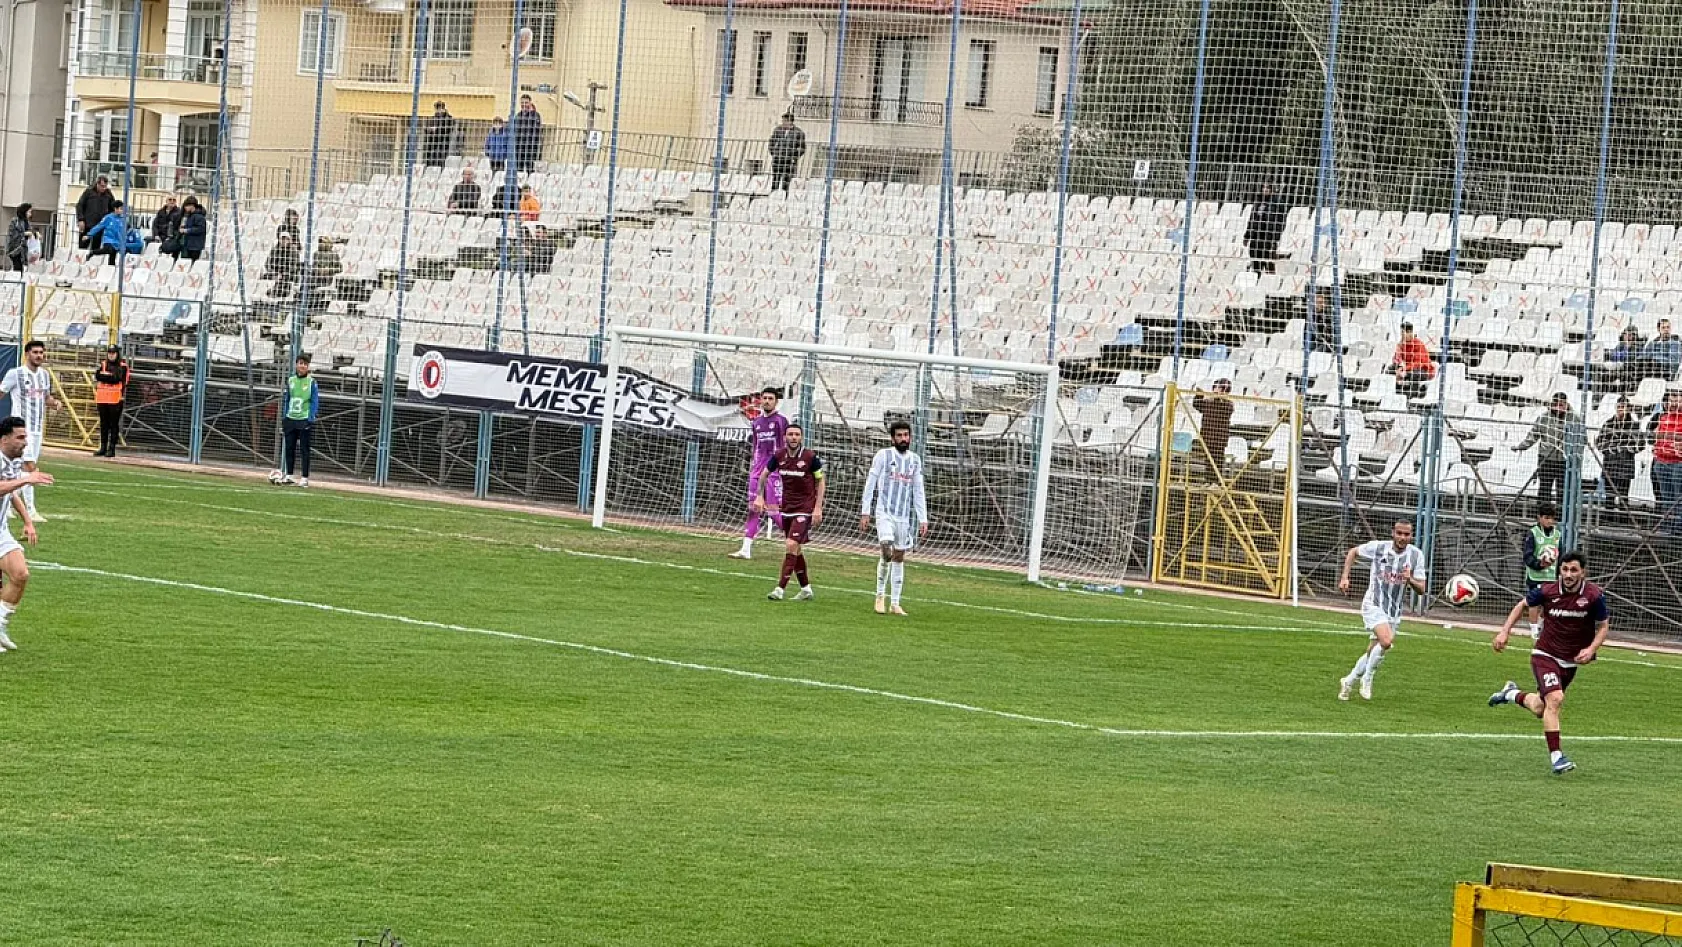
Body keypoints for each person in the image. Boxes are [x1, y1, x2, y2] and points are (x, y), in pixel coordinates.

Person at [1488, 551, 1609, 775]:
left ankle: (1510, 694)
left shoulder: (1594, 596)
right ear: (1559, 571)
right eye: (1565, 569)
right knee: (1555, 698)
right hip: (1545, 654)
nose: (1569, 574)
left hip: (1570, 662)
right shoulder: (1548, 591)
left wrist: (1591, 649)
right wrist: (1505, 632)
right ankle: (1557, 757)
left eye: (1574, 570)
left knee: (1540, 708)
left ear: (1583, 572)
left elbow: (1603, 626)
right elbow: (1521, 605)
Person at [1336, 519, 1427, 701]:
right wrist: (1345, 577)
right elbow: (1353, 552)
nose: (1402, 537)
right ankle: (1367, 679)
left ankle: (1349, 680)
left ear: (1411, 536)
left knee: (1372, 650)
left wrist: (1409, 580)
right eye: (1399, 533)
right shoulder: (1379, 548)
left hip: (1393, 611)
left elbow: (1422, 589)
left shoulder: (1416, 556)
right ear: (1393, 533)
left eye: (1406, 534)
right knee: (1386, 641)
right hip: (1373, 603)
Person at [860, 419, 929, 616]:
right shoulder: (883, 455)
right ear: (892, 438)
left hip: (903, 517)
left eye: (906, 435)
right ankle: (880, 596)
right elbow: (870, 482)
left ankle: (895, 603)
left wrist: (922, 518)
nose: (903, 439)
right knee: (886, 549)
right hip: (884, 513)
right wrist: (866, 511)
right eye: (899, 435)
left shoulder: (915, 460)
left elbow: (918, 490)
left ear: (910, 437)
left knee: (899, 556)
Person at [756, 422, 824, 601]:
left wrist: (817, 507)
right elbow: (764, 474)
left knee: (791, 544)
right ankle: (806, 589)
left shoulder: (810, 457)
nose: (793, 437)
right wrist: (759, 496)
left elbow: (820, 481)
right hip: (786, 507)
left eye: (797, 434)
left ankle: (780, 589)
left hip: (805, 508)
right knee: (796, 549)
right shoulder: (779, 455)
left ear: (801, 437)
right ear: (785, 437)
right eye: (790, 434)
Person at [0, 416, 51, 652]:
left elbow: (11, 492)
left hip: (1, 530)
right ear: (4, 439)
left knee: (20, 575)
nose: (25, 443)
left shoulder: (11, 462)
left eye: (26, 437)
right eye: (20, 437)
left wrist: (28, 522)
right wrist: (27, 478)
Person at [0, 341, 58, 522]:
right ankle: (31, 511)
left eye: (41, 352)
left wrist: (55, 403)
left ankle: (8, 504)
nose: (39, 355)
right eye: (35, 352)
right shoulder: (15, 374)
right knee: (30, 467)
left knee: (18, 468)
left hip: (37, 429)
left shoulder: (44, 375)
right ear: (27, 354)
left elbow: (46, 398)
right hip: (21, 430)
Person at [730, 386, 788, 560]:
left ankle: (794, 539)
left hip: (773, 472)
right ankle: (746, 549)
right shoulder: (756, 423)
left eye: (771, 399)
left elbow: (785, 447)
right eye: (765, 398)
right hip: (757, 472)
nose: (767, 401)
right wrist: (753, 467)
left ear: (776, 402)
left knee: (773, 511)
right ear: (760, 401)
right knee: (753, 509)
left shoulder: (780, 421)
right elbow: (755, 447)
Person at [1514, 392, 1580, 505]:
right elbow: (1534, 434)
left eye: (1562, 404)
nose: (1559, 407)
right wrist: (1522, 446)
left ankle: (1561, 517)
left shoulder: (1574, 419)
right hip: (1546, 458)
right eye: (1556, 404)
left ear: (1566, 404)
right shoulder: (1544, 418)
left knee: (1563, 490)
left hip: (1565, 461)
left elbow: (1580, 438)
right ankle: (1543, 515)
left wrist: (1574, 455)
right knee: (1544, 489)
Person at [270, 355, 319, 488]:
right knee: (289, 448)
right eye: (301, 363)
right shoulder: (291, 380)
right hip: (291, 418)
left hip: (304, 419)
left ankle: (304, 477)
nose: (303, 366)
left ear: (308, 367)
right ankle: (290, 475)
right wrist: (285, 416)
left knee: (304, 449)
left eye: (305, 364)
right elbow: (287, 398)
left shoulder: (311, 382)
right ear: (296, 364)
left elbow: (314, 401)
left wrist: (311, 418)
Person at [1520, 503, 1562, 639]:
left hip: (1551, 576)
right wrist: (1539, 564)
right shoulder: (1532, 533)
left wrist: (1560, 572)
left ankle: (1542, 626)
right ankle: (1533, 630)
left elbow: (1560, 555)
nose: (1550, 521)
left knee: (1549, 604)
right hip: (1535, 575)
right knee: (1534, 602)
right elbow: (1527, 556)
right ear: (1539, 518)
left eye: (1552, 518)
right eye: (1546, 517)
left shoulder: (1557, 534)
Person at [1595, 396, 1641, 512]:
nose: (1621, 410)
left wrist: (1625, 449)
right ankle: (1607, 517)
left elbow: (1640, 445)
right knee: (1609, 496)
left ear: (1629, 409)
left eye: (1623, 407)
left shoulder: (1634, 426)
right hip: (1610, 464)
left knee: (1623, 496)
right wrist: (1611, 449)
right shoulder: (1608, 424)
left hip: (1626, 465)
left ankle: (1623, 518)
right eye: (1619, 407)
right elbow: (1599, 442)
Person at [1647, 390, 1682, 532]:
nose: (1672, 403)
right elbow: (1652, 437)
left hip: (1678, 462)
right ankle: (1668, 525)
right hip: (1661, 461)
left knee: (1678, 496)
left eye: (1675, 400)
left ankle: (1678, 527)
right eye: (1669, 400)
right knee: (1666, 496)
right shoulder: (1662, 418)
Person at [1192, 378, 1235, 483]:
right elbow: (1197, 405)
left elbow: (1227, 410)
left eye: (1219, 388)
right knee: (1208, 461)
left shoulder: (1228, 404)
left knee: (1217, 460)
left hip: (1219, 438)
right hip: (1208, 436)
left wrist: (1219, 398)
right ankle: (1208, 481)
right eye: (1215, 387)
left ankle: (1216, 482)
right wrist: (1199, 395)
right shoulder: (1209, 402)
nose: (1216, 390)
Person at [93, 345, 129, 458]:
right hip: (102, 398)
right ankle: (103, 447)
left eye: (113, 352)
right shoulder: (103, 364)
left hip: (115, 399)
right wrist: (108, 376)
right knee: (104, 424)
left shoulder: (123, 366)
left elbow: (117, 378)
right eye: (109, 352)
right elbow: (97, 375)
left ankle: (111, 448)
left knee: (113, 424)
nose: (111, 354)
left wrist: (105, 376)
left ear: (117, 353)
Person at [1243, 184, 1286, 274]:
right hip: (1256, 237)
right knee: (1255, 263)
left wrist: (1275, 238)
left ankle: (1269, 282)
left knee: (1268, 264)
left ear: (1271, 190)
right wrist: (1247, 236)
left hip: (1268, 238)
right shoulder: (1258, 202)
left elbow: (1281, 222)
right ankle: (1256, 278)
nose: (1265, 190)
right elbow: (1252, 220)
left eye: (1267, 188)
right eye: (1263, 187)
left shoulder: (1277, 203)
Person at [1390, 321, 1436, 399]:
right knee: (1390, 369)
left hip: (1424, 370)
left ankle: (1413, 397)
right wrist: (1398, 365)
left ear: (1409, 332)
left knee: (1414, 373)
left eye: (1402, 333)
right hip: (1408, 368)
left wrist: (1404, 369)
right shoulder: (1401, 344)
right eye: (1401, 333)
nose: (1401, 335)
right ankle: (1395, 393)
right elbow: (1397, 358)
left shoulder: (1418, 344)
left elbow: (1417, 364)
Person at [768, 114, 806, 192]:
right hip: (777, 159)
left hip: (789, 160)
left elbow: (802, 148)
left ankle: (784, 196)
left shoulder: (799, 132)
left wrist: (794, 157)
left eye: (784, 121)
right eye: (782, 121)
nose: (783, 123)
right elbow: (771, 142)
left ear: (790, 122)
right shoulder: (778, 130)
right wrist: (774, 153)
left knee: (786, 180)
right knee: (775, 179)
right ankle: (774, 194)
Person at [75, 176, 114, 249]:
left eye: (105, 186)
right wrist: (80, 220)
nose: (104, 188)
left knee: (96, 248)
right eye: (102, 186)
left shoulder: (108, 194)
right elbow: (80, 205)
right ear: (97, 184)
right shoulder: (89, 192)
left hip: (99, 226)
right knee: (83, 246)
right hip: (87, 224)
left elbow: (112, 208)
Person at [262, 231, 302, 297]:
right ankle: (276, 291)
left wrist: (284, 273)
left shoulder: (294, 251)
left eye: (286, 239)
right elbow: (267, 264)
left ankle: (278, 291)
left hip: (289, 273)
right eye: (282, 239)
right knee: (265, 275)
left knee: (286, 277)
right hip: (276, 272)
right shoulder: (274, 250)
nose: (284, 241)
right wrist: (274, 273)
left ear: (289, 240)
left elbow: (296, 266)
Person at [1606, 326, 1644, 393]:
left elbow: (1630, 358)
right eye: (1626, 334)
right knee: (1603, 374)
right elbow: (1612, 355)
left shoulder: (1638, 346)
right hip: (1617, 369)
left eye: (1630, 335)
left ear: (1635, 336)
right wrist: (1622, 355)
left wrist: (1620, 355)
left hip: (1629, 371)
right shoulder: (1621, 344)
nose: (1628, 337)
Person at [513, 94, 544, 175]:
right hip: (519, 148)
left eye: (526, 102)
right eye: (522, 102)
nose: (524, 105)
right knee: (518, 171)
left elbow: (537, 133)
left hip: (531, 149)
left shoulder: (535, 115)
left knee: (530, 170)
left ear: (530, 103)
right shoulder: (518, 116)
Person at [423, 101, 457, 168]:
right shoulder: (433, 118)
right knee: (430, 159)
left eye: (439, 108)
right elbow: (426, 129)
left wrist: (437, 129)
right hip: (432, 144)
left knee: (441, 160)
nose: (438, 111)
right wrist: (429, 129)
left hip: (443, 144)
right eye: (437, 109)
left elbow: (447, 130)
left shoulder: (448, 118)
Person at [174, 197, 207, 261]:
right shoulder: (190, 216)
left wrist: (186, 230)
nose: (185, 208)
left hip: (195, 246)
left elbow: (200, 229)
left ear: (192, 205)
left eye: (186, 206)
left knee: (192, 263)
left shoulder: (199, 216)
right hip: (189, 244)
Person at [6, 204, 31, 272]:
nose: (30, 214)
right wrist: (24, 234)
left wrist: (34, 234)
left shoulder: (27, 222)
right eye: (29, 212)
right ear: (24, 212)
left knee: (22, 269)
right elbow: (12, 234)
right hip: (15, 249)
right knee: (17, 268)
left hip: (23, 249)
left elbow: (30, 232)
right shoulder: (15, 221)